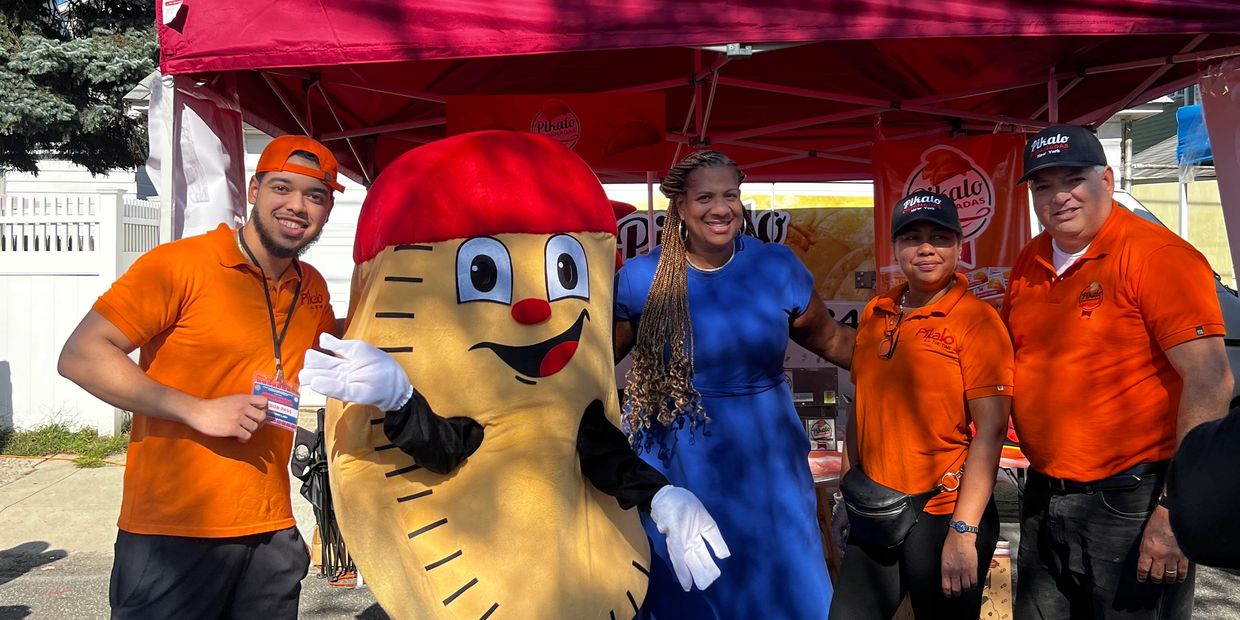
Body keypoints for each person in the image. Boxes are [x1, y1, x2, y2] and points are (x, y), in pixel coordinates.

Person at [57, 135, 343, 619]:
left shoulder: (308, 285)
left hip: (271, 531)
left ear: (328, 209)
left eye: (315, 196)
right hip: (173, 534)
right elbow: (81, 355)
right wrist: (196, 409)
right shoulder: (180, 265)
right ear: (254, 190)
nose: (297, 206)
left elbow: (333, 347)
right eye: (282, 188)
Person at [613, 149, 855, 618]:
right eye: (705, 197)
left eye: (730, 195)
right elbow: (598, 365)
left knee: (785, 587)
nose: (720, 208)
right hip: (675, 465)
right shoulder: (640, 279)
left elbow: (833, 340)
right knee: (686, 588)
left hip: (767, 462)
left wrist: (911, 362)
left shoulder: (776, 267)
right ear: (680, 206)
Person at [1003, 125, 1232, 619]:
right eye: (1043, 185)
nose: (1058, 196)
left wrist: (1174, 511)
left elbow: (1211, 382)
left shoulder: (1158, 256)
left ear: (1106, 180)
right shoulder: (1031, 258)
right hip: (1045, 492)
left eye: (1073, 180)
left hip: (1132, 499)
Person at [828, 191, 1013, 619]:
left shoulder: (979, 322)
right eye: (912, 237)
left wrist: (963, 533)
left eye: (940, 236)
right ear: (895, 249)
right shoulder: (878, 312)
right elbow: (861, 407)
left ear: (959, 246)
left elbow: (991, 431)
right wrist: (845, 495)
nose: (926, 248)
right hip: (875, 508)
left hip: (943, 514)